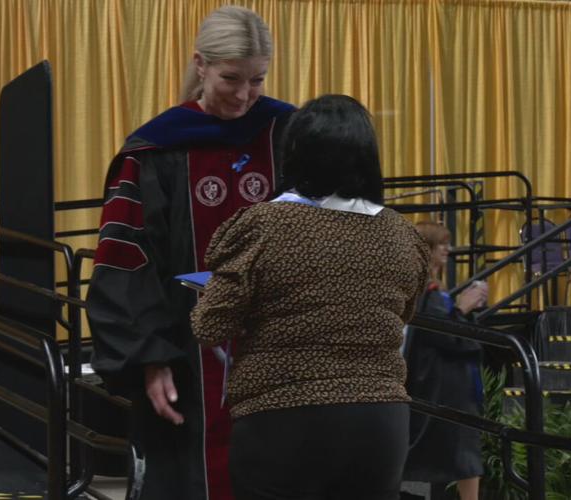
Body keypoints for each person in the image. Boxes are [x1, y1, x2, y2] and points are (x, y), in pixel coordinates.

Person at [85, 6, 295, 500]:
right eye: (231, 78)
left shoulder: (285, 133)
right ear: (200, 65)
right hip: (186, 354)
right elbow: (126, 258)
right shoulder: (155, 150)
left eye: (257, 80)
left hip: (280, 349)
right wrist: (150, 358)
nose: (244, 96)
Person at [191, 94, 430, 500]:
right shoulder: (404, 235)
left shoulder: (266, 224)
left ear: (295, 154)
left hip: (284, 416)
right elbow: (405, 313)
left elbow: (210, 324)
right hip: (381, 421)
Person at [401, 222, 487, 500]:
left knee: (460, 460)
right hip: (443, 388)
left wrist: (466, 310)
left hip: (446, 386)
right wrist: (463, 308)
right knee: (462, 458)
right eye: (441, 245)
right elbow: (451, 338)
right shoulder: (426, 294)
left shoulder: (432, 293)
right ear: (426, 250)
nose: (448, 250)